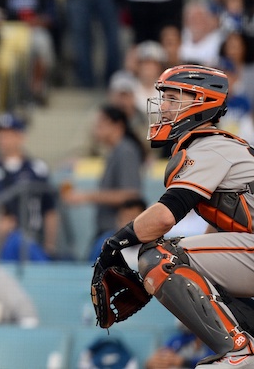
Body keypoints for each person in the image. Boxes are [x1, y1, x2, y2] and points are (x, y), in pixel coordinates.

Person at [94, 64, 254, 368]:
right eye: (163, 98)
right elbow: (219, 231)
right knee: (198, 276)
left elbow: (165, 216)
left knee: (162, 258)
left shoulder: (210, 145)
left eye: (173, 98)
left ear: (202, 101)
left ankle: (240, 351)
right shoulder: (218, 146)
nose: (163, 106)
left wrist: (113, 245)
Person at [0, 112, 59, 258]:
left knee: (20, 244)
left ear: (20, 136)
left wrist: (49, 246)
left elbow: (49, 211)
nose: (2, 139)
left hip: (32, 238)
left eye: (8, 134)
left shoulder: (37, 169)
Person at [62, 104, 145, 239]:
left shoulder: (126, 151)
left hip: (116, 233)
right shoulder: (116, 151)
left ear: (117, 125)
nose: (95, 129)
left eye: (100, 124)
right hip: (110, 230)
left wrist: (85, 196)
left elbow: (131, 194)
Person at [146, 323, 214, 369]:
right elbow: (163, 354)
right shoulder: (180, 338)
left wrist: (183, 362)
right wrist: (154, 362)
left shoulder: (213, 343)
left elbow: (212, 363)